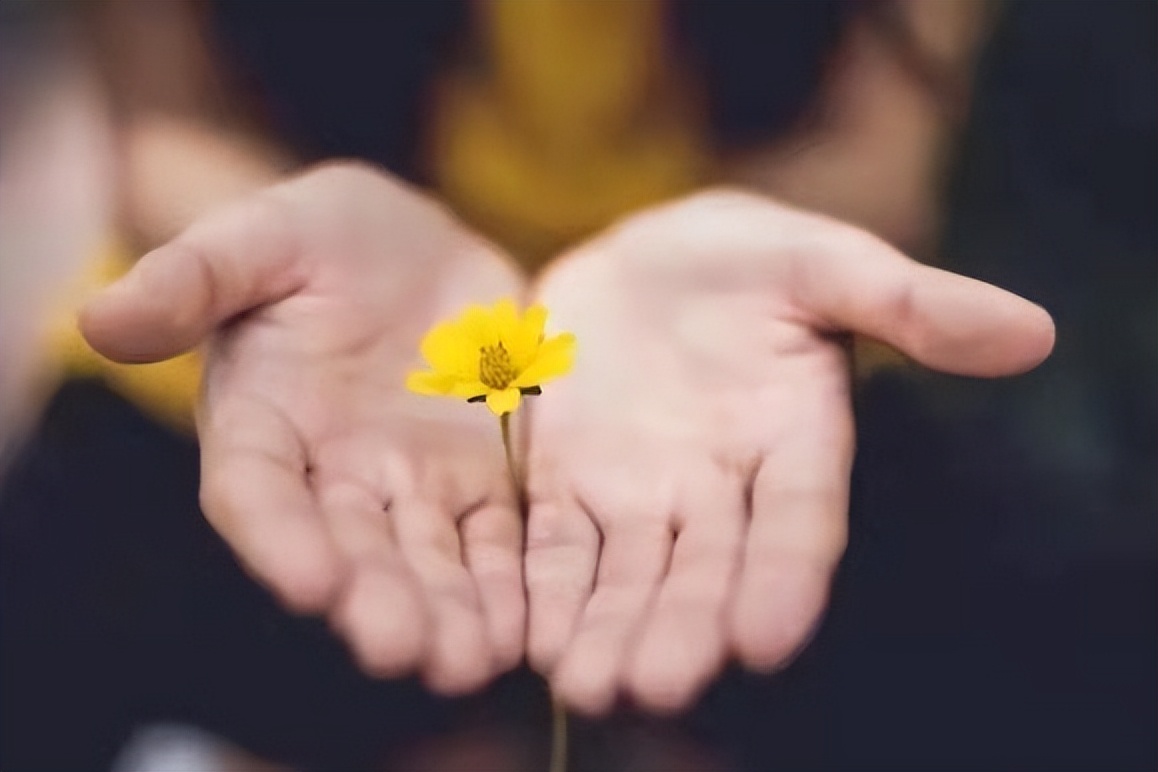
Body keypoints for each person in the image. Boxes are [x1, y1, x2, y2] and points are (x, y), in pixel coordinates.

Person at [4, 0, 1057, 767]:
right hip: (307, 360)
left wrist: (729, 250)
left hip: (728, 369)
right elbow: (169, 127)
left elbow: (881, 152)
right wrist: (264, 247)